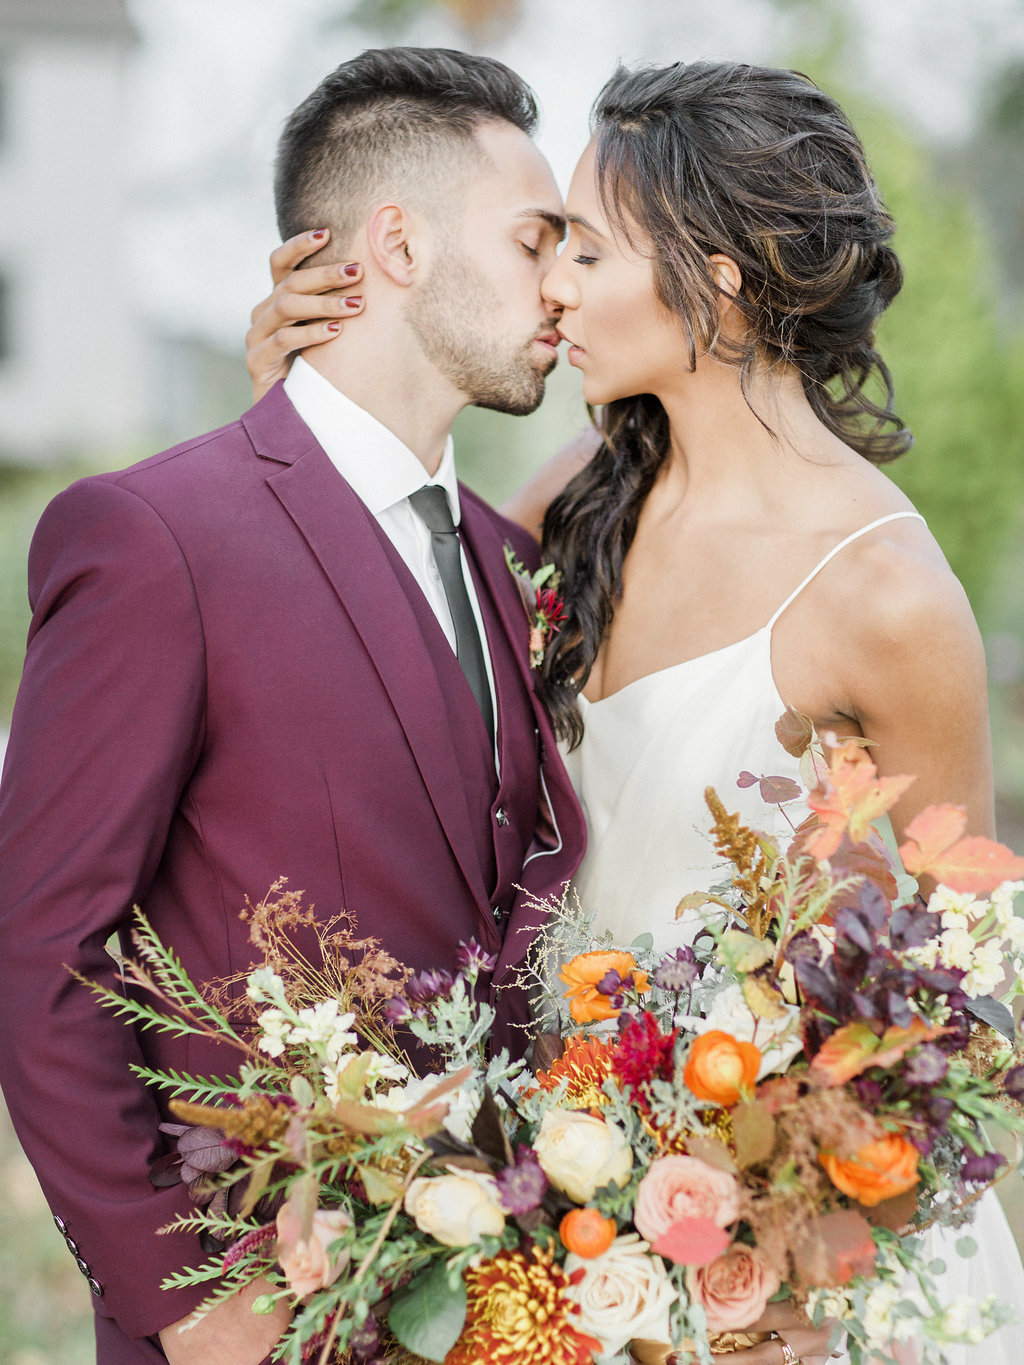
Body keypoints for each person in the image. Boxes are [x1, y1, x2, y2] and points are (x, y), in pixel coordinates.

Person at [245, 58, 1023, 1365]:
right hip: (575, 1231)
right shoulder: (572, 498)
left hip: (801, 1277)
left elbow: (969, 1001)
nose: (551, 285)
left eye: (587, 251)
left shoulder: (890, 598)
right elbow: (342, 672)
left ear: (719, 269)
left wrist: (801, 1232)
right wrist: (295, 422)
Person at [0, 47, 586, 1365]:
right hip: (258, 1314)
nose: (563, 280)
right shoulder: (154, 538)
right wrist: (191, 1304)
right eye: (537, 235)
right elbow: (43, 958)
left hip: (507, 1311)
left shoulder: (510, 562)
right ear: (398, 242)